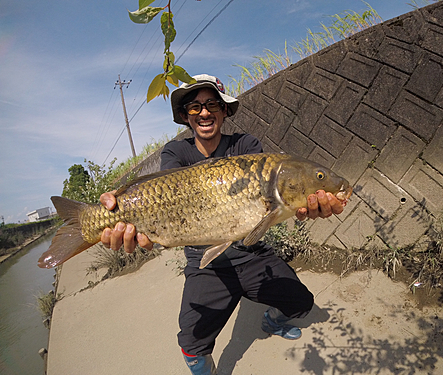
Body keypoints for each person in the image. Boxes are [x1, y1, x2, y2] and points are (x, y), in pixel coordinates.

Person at [100, 74, 345, 375]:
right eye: (194, 107)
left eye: (212, 104)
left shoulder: (246, 145)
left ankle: (273, 320)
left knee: (303, 303)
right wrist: (123, 211)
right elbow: (160, 197)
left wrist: (306, 206)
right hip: (206, 265)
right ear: (186, 116)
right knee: (191, 344)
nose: (204, 112)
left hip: (252, 255)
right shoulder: (175, 153)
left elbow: (272, 208)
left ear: (225, 111)